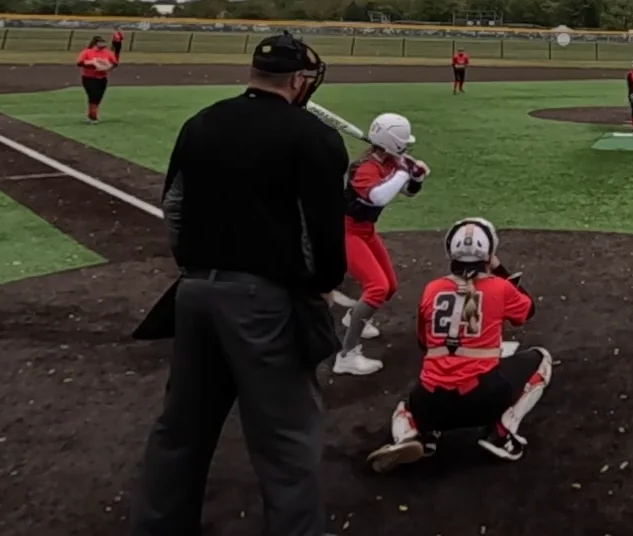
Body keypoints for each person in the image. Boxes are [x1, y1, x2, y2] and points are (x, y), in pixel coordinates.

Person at [128, 32, 351, 536]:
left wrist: (196, 263)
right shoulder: (312, 137)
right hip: (265, 304)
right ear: (298, 80)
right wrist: (321, 284)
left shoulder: (201, 122)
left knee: (180, 430)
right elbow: (322, 230)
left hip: (195, 294)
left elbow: (175, 207)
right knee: (287, 440)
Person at [364, 217, 551, 472]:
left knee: (407, 406)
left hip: (430, 402)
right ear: (489, 253)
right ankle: (501, 432)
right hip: (482, 399)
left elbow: (424, 342)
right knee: (541, 359)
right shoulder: (500, 288)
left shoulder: (431, 289)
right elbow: (527, 311)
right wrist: (499, 269)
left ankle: (414, 435)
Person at [334, 113, 430, 376]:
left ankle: (354, 316)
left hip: (366, 231)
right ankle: (346, 355)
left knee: (389, 285)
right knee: (377, 287)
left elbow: (408, 192)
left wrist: (416, 178)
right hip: (346, 232)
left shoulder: (388, 162)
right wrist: (402, 171)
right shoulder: (364, 168)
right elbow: (377, 196)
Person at [75, 35, 115, 123]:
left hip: (102, 78)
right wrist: (92, 63)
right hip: (89, 78)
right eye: (101, 42)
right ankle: (93, 116)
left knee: (98, 97)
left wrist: (107, 66)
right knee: (93, 95)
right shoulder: (87, 52)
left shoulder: (107, 53)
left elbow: (114, 63)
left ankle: (91, 115)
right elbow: (79, 62)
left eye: (103, 42)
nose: (103, 44)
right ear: (95, 43)